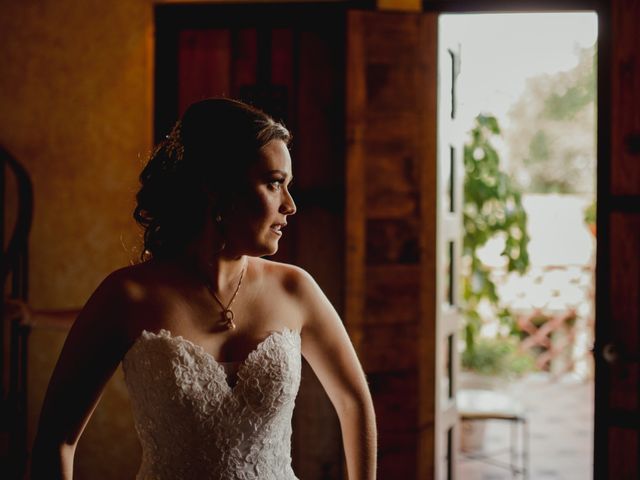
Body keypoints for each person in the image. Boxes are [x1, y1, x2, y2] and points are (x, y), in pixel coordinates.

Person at [31, 98, 377, 479]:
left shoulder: (296, 289)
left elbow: (353, 401)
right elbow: (57, 439)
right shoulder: (128, 295)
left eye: (288, 186)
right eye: (274, 183)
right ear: (216, 185)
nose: (290, 205)